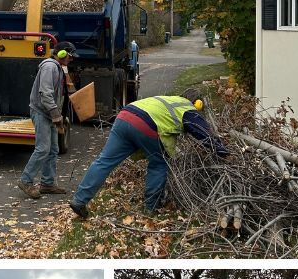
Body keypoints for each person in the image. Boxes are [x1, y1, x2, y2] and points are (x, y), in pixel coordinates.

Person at [69, 88, 228, 219]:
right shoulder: (188, 108)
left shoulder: (169, 100)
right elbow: (203, 132)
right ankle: (150, 208)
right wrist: (221, 150)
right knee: (159, 164)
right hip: (145, 124)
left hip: (124, 117)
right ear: (197, 104)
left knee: (104, 162)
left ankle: (79, 200)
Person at [19, 42, 76, 200]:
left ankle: (47, 183)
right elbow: (45, 92)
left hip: (49, 113)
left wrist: (57, 114)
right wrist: (55, 114)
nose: (71, 60)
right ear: (63, 54)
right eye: (70, 56)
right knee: (43, 148)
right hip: (41, 112)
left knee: (52, 149)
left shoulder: (57, 67)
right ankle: (26, 180)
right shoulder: (49, 67)